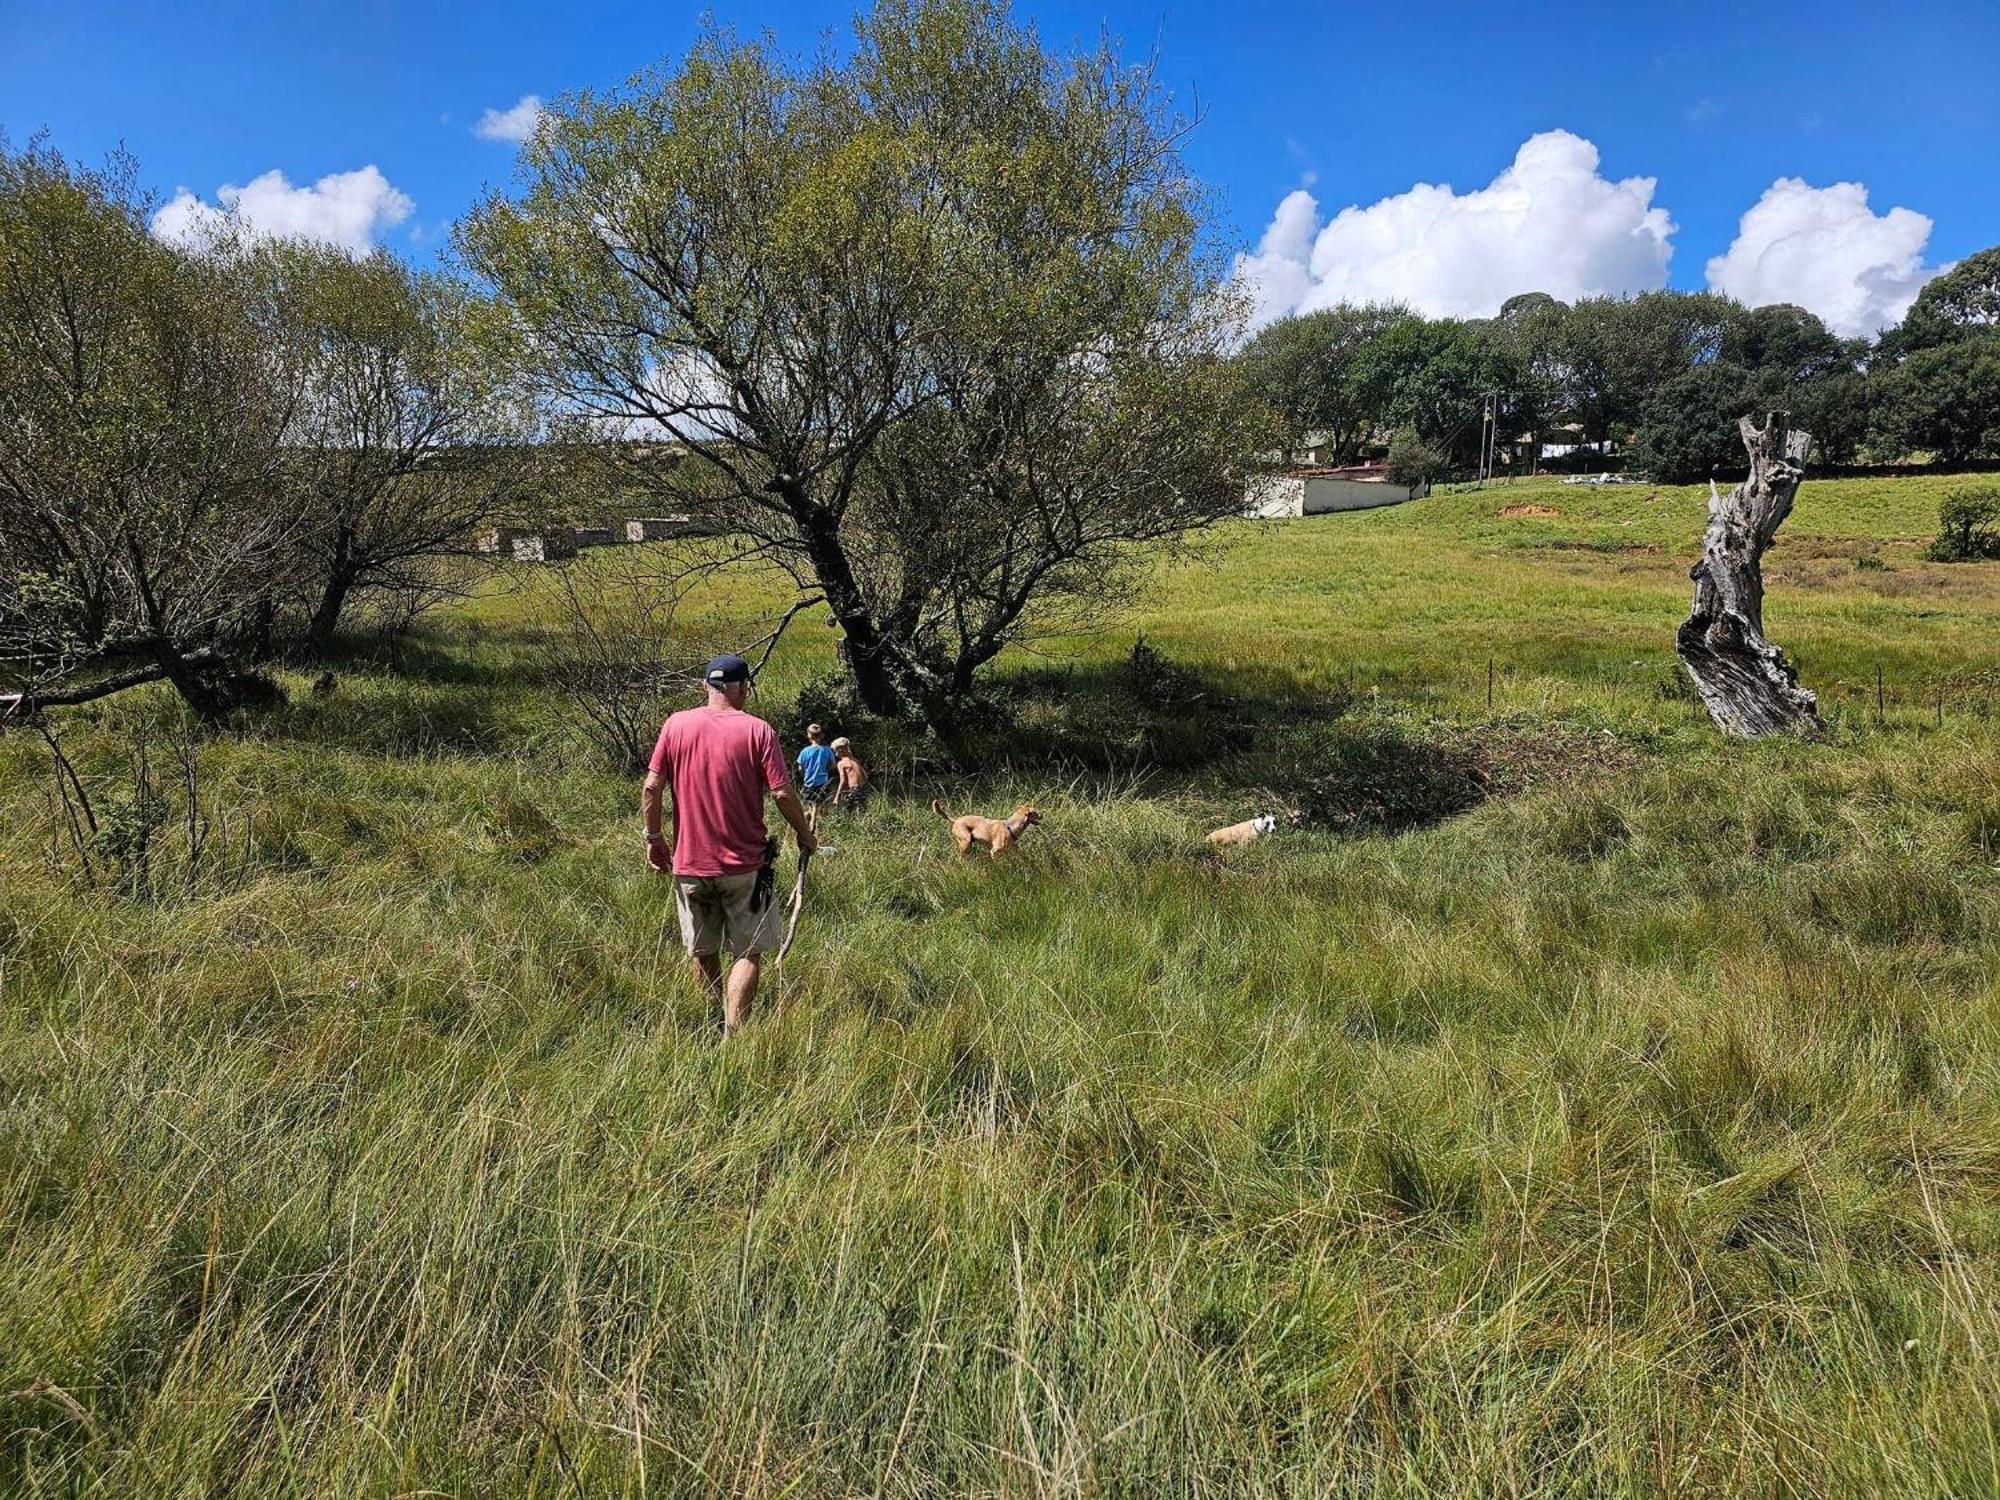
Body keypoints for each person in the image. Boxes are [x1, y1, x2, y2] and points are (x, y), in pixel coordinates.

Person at [642, 654, 815, 1035]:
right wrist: (805, 834)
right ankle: (734, 1036)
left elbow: (652, 786)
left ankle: (711, 1025)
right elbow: (783, 794)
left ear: (705, 686)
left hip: (689, 864)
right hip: (745, 868)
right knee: (748, 951)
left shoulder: (675, 726)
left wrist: (654, 840)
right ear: (742, 688)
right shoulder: (758, 731)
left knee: (703, 951)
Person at [795, 722, 837, 831]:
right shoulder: (827, 750)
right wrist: (825, 769)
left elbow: (800, 768)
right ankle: (817, 828)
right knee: (821, 807)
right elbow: (833, 766)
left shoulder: (804, 752)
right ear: (822, 735)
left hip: (808, 784)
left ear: (808, 735)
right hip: (823, 783)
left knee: (809, 806)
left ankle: (806, 828)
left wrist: (805, 775)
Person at [831, 736, 869, 811]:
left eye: (835, 751)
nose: (835, 754)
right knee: (860, 810)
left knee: (848, 811)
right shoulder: (855, 760)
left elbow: (843, 780)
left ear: (840, 751)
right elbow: (865, 776)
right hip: (863, 788)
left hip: (853, 790)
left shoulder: (841, 763)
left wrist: (837, 796)